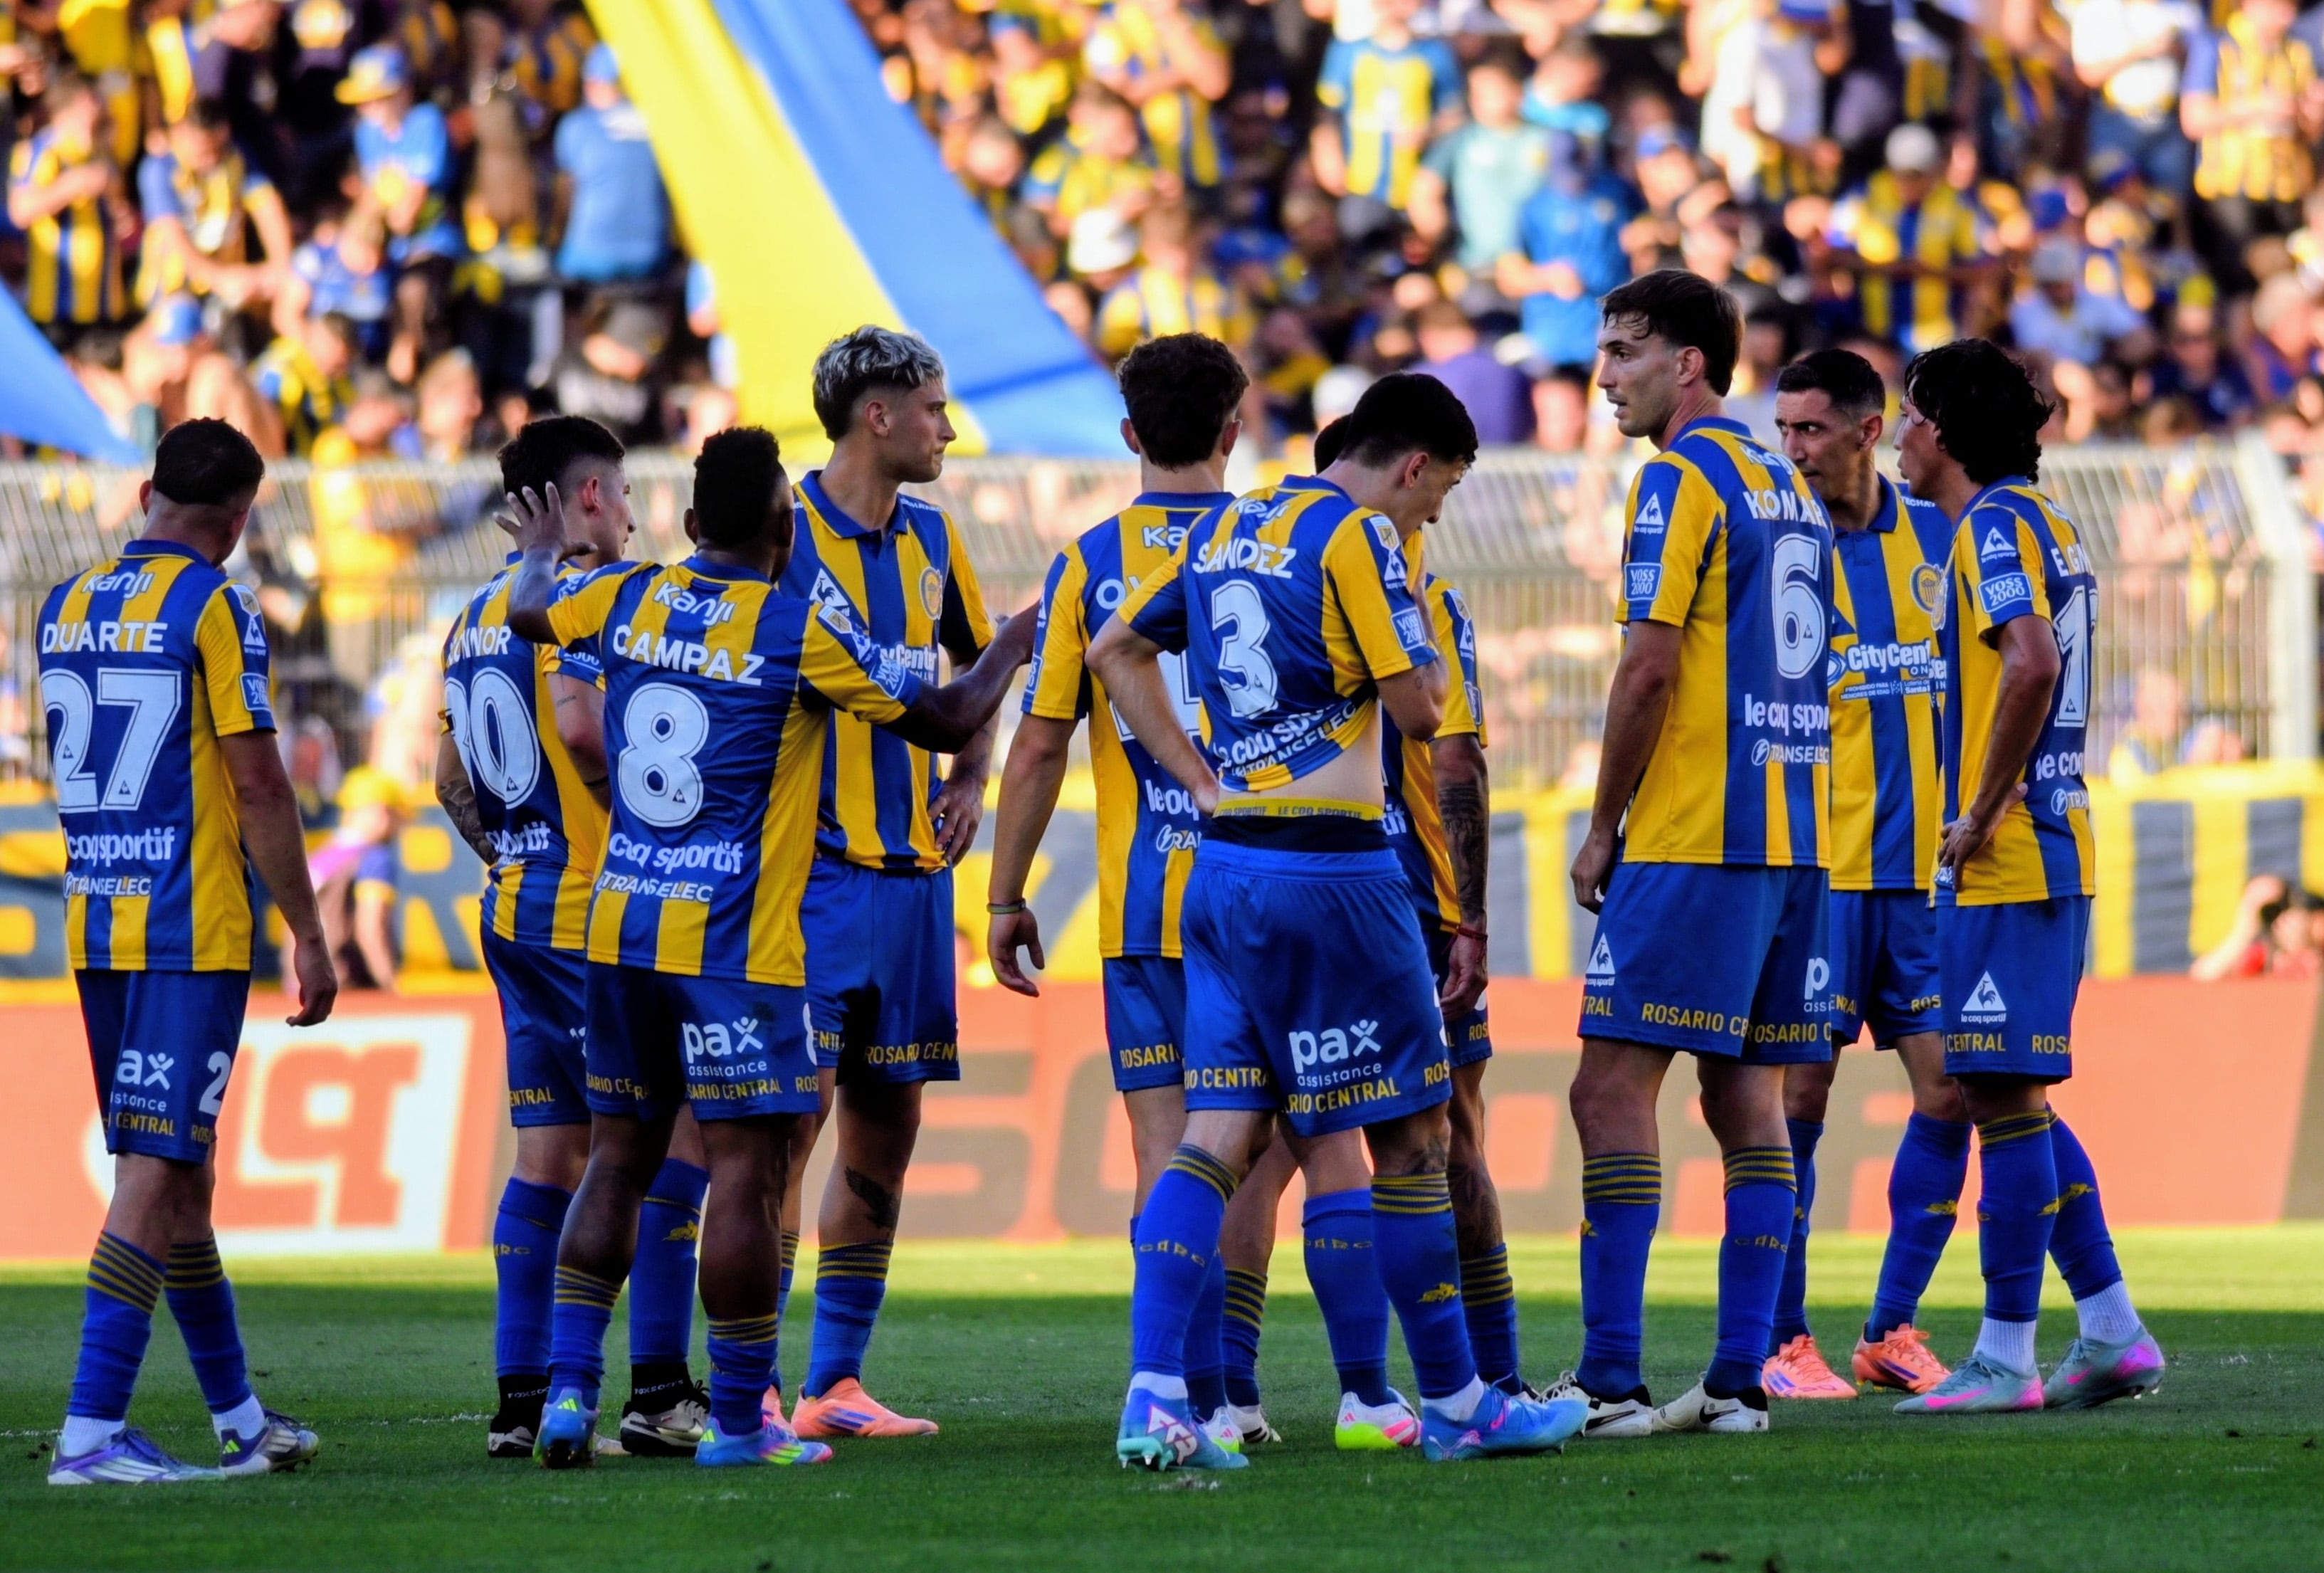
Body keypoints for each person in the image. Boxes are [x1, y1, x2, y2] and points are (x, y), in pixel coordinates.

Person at [499, 426, 1036, 1468]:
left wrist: (543, 543)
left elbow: (529, 608)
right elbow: (951, 711)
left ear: (694, 525)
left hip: (619, 930)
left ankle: (569, 1397)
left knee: (617, 1158)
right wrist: (1019, 632)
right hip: (734, 952)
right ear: (788, 533)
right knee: (745, 1174)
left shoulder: (628, 594)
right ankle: (742, 1424)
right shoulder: (793, 629)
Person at [1088, 372, 1589, 1468]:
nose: (1430, 519)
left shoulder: (1227, 528)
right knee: (1413, 1139)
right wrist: (1401, 631)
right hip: (1336, 875)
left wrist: (1201, 777)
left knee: (1212, 1138)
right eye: (1439, 496)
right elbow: (1420, 708)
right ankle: (1457, 1404)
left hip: (1221, 869)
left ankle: (1155, 1396)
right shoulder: (1357, 537)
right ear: (1412, 465)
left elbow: (1113, 650)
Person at [1554, 269, 1834, 1440]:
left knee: (1610, 1085)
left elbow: (1651, 663)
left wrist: (1605, 820)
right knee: (1748, 1100)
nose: (1604, 377)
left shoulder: (1681, 476)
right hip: (1793, 835)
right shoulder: (1788, 476)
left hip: (1696, 830)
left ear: (1690, 363)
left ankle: (1612, 1374)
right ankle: (1736, 1380)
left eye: (1623, 352)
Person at [41, 419, 336, 1485]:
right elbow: (258, 781)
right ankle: (89, 1433)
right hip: (185, 925)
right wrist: (307, 929)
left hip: (98, 922)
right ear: (239, 518)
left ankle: (242, 1420)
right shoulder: (218, 606)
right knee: (157, 1169)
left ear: (145, 495)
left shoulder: (60, 605)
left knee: (182, 1179)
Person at [987, 332, 1260, 1454]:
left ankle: (1177, 1390)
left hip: (1144, 902)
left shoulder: (1087, 561)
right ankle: (1233, 1389)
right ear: (1236, 427)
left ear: (1130, 435)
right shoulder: (1284, 544)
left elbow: (1040, 744)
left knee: (1167, 1153)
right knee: (1258, 1146)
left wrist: (1003, 896)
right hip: (1268, 888)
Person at [1892, 337, 2165, 1414]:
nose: (1903, 435)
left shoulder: (1992, 524)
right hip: (2045, 846)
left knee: (1998, 1097)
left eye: (1914, 415)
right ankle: (2110, 1328)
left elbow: (2032, 657)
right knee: (2008, 1092)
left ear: (1950, 429)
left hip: (2017, 853)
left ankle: (2005, 1356)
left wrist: (1984, 802)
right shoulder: (2042, 521)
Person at [435, 414, 715, 1461]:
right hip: (596, 912)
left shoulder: (466, 618)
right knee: (673, 1138)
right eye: (628, 493)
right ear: (589, 497)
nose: (639, 516)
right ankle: (656, 1389)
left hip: (512, 906)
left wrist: (513, 858)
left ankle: (519, 1403)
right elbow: (591, 734)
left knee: (549, 1149)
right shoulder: (588, 608)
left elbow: (448, 780)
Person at [776, 327, 997, 1440]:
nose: (947, 429)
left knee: (882, 1136)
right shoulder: (784, 534)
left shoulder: (930, 537)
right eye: (935, 408)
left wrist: (970, 779)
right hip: (808, 884)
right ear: (878, 414)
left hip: (914, 887)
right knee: (781, 1132)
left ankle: (833, 1383)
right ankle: (746, 1385)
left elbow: (975, 671)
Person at [1763, 348, 1960, 1402]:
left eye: (1808, 429)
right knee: (1799, 1091)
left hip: (1922, 878)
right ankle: (1781, 1337)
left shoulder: (1937, 537)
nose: (1790, 448)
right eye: (1782, 428)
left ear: (1865, 429)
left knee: (1953, 1088)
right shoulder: (1774, 545)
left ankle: (1891, 1325)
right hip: (1817, 877)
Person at [1826, 124, 1994, 357]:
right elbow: (1833, 251)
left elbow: (1981, 269)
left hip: (1936, 337)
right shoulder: (1865, 195)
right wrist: (1886, 269)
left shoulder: (1957, 205)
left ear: (1934, 170)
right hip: (1874, 334)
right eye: (1903, 175)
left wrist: (1930, 271)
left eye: (1917, 176)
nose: (1910, 183)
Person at [1311, 0, 1462, 226]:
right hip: (1360, 183)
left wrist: (1429, 133)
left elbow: (1454, 114)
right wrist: (1326, 151)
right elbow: (1327, 110)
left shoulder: (1436, 54)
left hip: (1414, 184)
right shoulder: (1348, 51)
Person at [8, 70, 130, 333]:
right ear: (83, 101)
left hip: (105, 306)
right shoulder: (40, 151)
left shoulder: (102, 154)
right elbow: (20, 210)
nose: (106, 107)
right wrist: (70, 186)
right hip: (57, 310)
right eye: (98, 99)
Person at [552, 45, 670, 287]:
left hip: (589, 257)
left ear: (595, 84)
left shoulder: (578, 126)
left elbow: (566, 194)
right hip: (652, 256)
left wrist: (554, 239)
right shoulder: (661, 126)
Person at [306, 765, 403, 991]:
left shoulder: (323, 855)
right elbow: (369, 930)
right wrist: (389, 984)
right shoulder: (374, 857)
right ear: (382, 812)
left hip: (305, 987)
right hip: (349, 987)